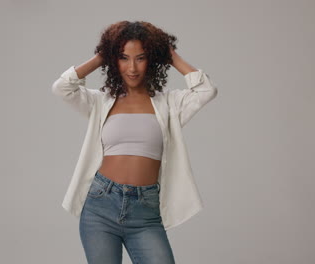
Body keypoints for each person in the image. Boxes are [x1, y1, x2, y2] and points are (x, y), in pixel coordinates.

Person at [51, 20, 218, 264]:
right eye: (123, 58)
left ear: (151, 60)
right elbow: (62, 87)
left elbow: (206, 90)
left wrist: (169, 54)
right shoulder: (101, 101)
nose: (132, 67)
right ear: (114, 61)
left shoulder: (169, 104)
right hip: (100, 205)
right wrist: (101, 56)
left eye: (140, 58)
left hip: (146, 211)